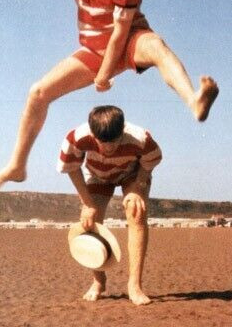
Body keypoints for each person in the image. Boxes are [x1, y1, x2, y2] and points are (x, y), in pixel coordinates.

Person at [0, 0, 218, 191]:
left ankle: (193, 100)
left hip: (130, 40)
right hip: (93, 49)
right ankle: (17, 165)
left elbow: (120, 31)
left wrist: (104, 74)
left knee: (157, 46)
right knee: (38, 93)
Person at [58, 105, 161, 305]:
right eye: (101, 142)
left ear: (122, 131)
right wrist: (87, 204)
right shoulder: (76, 138)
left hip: (132, 174)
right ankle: (98, 281)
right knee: (91, 222)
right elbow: (71, 168)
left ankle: (135, 285)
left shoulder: (141, 138)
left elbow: (152, 160)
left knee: (136, 212)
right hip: (97, 175)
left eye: (113, 142)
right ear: (92, 133)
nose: (108, 148)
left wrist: (137, 188)